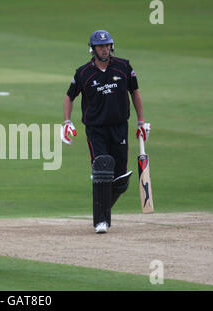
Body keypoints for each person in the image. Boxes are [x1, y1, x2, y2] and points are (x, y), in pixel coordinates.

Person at [61, 30, 148, 234]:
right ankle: (101, 221)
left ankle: (101, 210)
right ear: (93, 49)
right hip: (95, 129)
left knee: (120, 180)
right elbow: (69, 97)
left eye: (107, 45)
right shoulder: (83, 73)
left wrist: (141, 122)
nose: (104, 49)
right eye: (100, 46)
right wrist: (67, 122)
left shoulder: (124, 66)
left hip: (120, 127)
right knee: (102, 170)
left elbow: (135, 92)